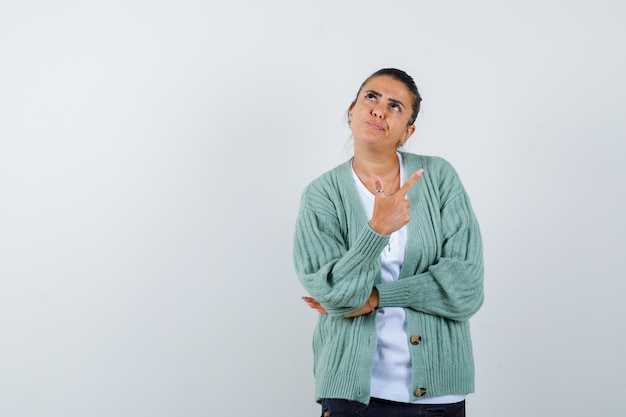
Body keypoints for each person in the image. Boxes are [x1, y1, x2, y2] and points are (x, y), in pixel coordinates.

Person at [292, 68, 484, 417]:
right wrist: (376, 231)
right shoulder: (321, 195)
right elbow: (334, 293)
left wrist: (377, 297)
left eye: (395, 106)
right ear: (352, 111)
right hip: (355, 398)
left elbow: (467, 287)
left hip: (438, 398)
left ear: (408, 131)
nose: (380, 110)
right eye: (371, 97)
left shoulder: (439, 177)